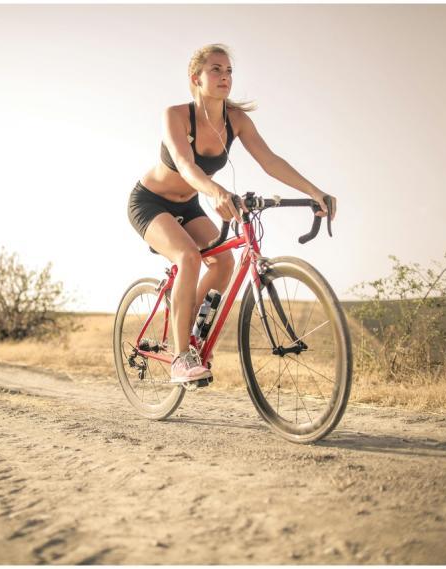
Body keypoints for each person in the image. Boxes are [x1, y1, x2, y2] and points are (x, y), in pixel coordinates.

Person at [127, 43, 336, 385]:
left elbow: (270, 161)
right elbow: (185, 165)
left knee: (224, 261)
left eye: (229, 71)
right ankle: (181, 359)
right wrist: (218, 192)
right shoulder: (176, 115)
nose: (225, 77)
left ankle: (188, 327)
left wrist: (314, 192)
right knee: (188, 256)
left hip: (189, 204)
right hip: (150, 202)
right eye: (216, 70)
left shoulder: (236, 120)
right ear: (196, 78)